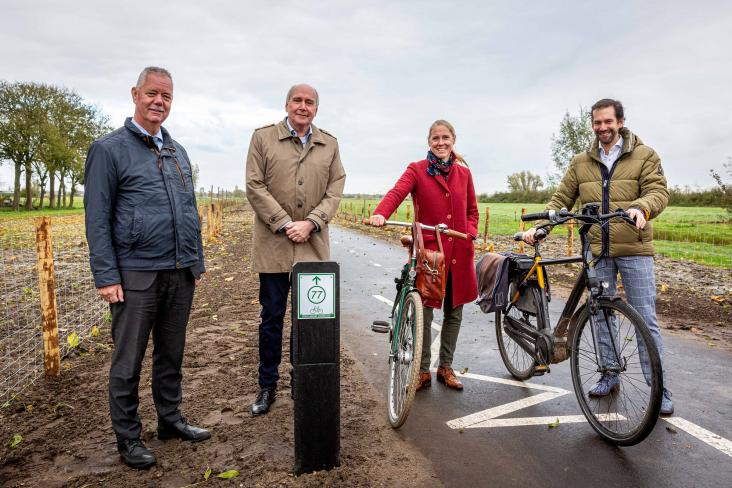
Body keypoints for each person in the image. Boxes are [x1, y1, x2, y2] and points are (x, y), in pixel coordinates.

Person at [84, 66, 209, 470]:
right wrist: (106, 275)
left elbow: (189, 209)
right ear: (135, 94)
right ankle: (129, 438)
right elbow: (97, 217)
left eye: (167, 96)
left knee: (171, 355)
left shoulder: (177, 151)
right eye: (153, 93)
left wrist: (196, 260)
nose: (159, 101)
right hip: (135, 274)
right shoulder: (109, 149)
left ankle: (170, 420)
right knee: (128, 361)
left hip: (179, 271)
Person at [522, 98, 673, 415]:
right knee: (601, 314)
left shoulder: (644, 155)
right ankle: (608, 375)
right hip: (597, 250)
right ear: (592, 124)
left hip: (634, 248)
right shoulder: (581, 162)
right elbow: (561, 199)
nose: (602, 127)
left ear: (620, 122)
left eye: (608, 121)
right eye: (597, 122)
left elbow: (658, 191)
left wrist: (642, 207)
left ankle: (659, 388)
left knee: (645, 318)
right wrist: (541, 228)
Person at [245, 84, 346, 415]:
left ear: (316, 108)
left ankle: (302, 382)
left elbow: (335, 188)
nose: (303, 106)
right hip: (273, 246)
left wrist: (312, 222)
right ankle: (267, 386)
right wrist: (285, 222)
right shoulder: (262, 139)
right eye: (298, 101)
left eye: (310, 102)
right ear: (287, 104)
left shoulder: (329, 144)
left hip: (313, 248)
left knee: (309, 320)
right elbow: (254, 184)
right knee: (272, 318)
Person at [370, 120, 479, 391]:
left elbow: (472, 212)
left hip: (459, 252)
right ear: (428, 142)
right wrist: (382, 212)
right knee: (426, 312)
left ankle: (446, 367)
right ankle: (422, 370)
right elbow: (397, 192)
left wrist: (470, 233)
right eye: (435, 138)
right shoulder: (417, 170)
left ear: (453, 140)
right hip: (430, 253)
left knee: (454, 312)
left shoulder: (464, 174)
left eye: (445, 138)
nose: (440, 143)